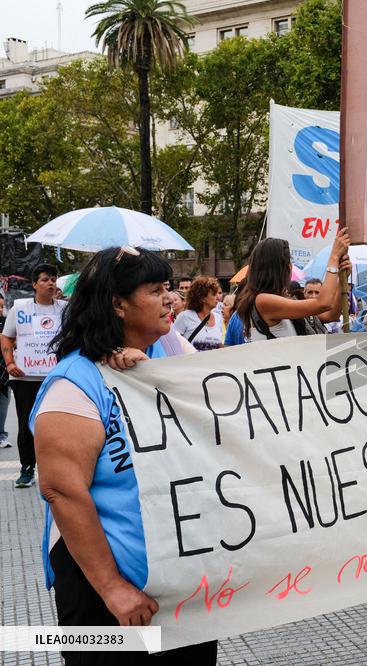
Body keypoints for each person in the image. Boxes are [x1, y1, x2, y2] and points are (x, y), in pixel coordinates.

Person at [31, 246, 216, 664]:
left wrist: (153, 378)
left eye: (169, 287)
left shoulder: (168, 352)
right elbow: (62, 490)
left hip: (179, 584)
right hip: (104, 595)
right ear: (117, 304)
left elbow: (226, 398)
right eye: (156, 289)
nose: (171, 298)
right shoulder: (73, 385)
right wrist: (112, 587)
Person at [1, 263, 67, 488]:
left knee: (57, 424)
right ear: (34, 284)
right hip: (25, 378)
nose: (50, 283)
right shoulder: (19, 308)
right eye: (45, 279)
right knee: (26, 423)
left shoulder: (64, 309)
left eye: (53, 279)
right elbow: (6, 337)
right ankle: (27, 468)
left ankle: (57, 469)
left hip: (55, 378)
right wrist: (10, 363)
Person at [235, 232, 350, 342]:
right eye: (289, 261)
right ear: (281, 268)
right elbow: (324, 303)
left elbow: (330, 316)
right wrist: (334, 257)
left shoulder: (279, 299)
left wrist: (341, 282)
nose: (291, 266)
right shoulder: (262, 301)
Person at [171, 276, 225, 351]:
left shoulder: (218, 318)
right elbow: (172, 343)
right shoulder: (185, 317)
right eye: (213, 294)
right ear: (202, 298)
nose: (218, 297)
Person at [0, 296, 10, 448]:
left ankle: (1, 435)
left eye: (2, 306)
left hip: (3, 368)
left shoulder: (6, 323)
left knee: (3, 401)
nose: (0, 310)